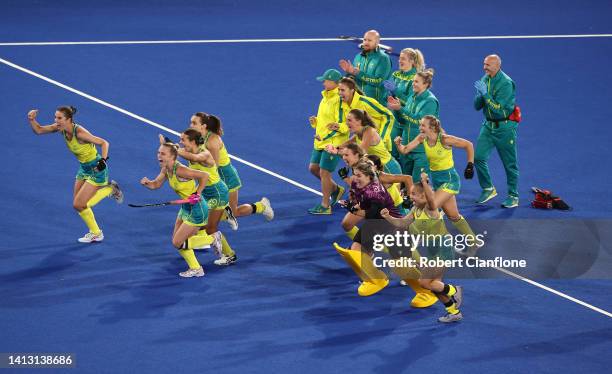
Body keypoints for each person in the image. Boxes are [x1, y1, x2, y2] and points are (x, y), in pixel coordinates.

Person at [332, 160, 437, 307]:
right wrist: (353, 204)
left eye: (359, 175)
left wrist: (353, 209)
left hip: (391, 226)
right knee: (356, 250)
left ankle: (427, 292)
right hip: (374, 224)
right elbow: (362, 202)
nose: (355, 178)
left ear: (369, 176)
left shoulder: (376, 191)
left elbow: (372, 212)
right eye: (354, 174)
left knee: (401, 266)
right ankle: (376, 279)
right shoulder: (359, 184)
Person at [27, 107, 123, 243]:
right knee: (79, 204)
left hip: (97, 169)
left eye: (59, 118)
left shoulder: (80, 133)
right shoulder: (61, 129)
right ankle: (110, 189)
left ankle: (97, 231)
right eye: (55, 117)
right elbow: (39, 130)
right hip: (84, 169)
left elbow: (104, 142)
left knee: (79, 205)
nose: (56, 121)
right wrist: (32, 119)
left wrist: (103, 160)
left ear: (68, 120)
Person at [381, 182, 464, 323]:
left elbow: (431, 199)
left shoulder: (430, 209)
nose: (410, 196)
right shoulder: (415, 209)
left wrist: (425, 183)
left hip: (443, 248)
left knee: (424, 283)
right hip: (433, 251)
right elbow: (402, 223)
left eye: (414, 194)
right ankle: (453, 312)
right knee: (434, 285)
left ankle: (454, 290)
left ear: (424, 196)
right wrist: (388, 217)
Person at [395, 115, 477, 252]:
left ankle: (418, 239)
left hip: (450, 180)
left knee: (430, 206)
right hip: (438, 181)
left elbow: (469, 145)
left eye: (422, 125)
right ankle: (473, 241)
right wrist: (398, 144)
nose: (420, 128)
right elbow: (405, 150)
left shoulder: (445, 139)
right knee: (453, 216)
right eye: (420, 125)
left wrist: (470, 165)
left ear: (432, 128)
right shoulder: (422, 138)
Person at [189, 112, 274, 226]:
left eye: (194, 123)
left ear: (203, 126)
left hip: (225, 176)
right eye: (191, 122)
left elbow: (214, 166)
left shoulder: (212, 140)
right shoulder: (198, 137)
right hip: (212, 177)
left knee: (234, 212)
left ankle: (262, 206)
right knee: (203, 209)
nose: (190, 125)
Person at [140, 142, 210, 278]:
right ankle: (196, 268)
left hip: (197, 209)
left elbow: (204, 175)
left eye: (163, 153)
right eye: (158, 153)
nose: (158, 156)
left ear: (173, 156)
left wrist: (198, 193)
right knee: (178, 241)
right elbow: (156, 184)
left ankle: (213, 239)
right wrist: (148, 183)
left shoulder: (180, 170)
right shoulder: (166, 169)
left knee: (177, 242)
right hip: (185, 208)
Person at [176, 129, 237, 266]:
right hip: (205, 192)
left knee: (210, 228)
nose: (180, 142)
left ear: (192, 141)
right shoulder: (190, 151)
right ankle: (224, 215)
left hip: (217, 193)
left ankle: (230, 255)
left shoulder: (203, 153)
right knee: (196, 220)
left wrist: (174, 150)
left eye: (183, 140)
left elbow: (195, 159)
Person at [473, 54, 520, 208]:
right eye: (484, 64)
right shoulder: (485, 79)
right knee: (478, 157)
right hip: (488, 126)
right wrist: (480, 95)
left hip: (504, 128)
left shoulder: (506, 83)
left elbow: (500, 110)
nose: (484, 67)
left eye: (487, 65)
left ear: (497, 66)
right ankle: (488, 188)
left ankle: (513, 196)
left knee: (509, 164)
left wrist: (485, 94)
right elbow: (477, 106)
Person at [387, 69, 438, 183]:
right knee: (405, 182)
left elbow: (420, 122)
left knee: (417, 183)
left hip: (421, 150)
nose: (413, 84)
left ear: (425, 84)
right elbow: (404, 121)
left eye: (416, 82)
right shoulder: (411, 97)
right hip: (407, 146)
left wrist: (401, 108)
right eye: (413, 81)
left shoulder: (430, 102)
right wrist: (396, 110)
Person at [308, 68, 347, 215]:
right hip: (320, 141)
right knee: (313, 168)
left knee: (324, 172)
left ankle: (325, 206)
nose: (323, 82)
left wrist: (327, 136)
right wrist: (316, 122)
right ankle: (336, 190)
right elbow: (326, 119)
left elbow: (344, 125)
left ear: (334, 83)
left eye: (325, 80)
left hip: (332, 143)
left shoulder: (339, 99)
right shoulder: (325, 96)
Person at [382, 48, 426, 160]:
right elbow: (386, 96)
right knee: (391, 152)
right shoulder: (395, 75)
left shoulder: (416, 79)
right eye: (399, 58)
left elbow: (410, 102)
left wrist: (395, 90)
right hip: (395, 121)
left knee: (405, 156)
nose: (400, 61)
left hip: (409, 123)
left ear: (412, 61)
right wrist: (387, 98)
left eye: (403, 59)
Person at [332, 78, 395, 151]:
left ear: (352, 90)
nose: (339, 93)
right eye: (338, 90)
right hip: (366, 149)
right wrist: (339, 147)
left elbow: (388, 116)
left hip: (381, 150)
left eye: (342, 90)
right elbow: (360, 132)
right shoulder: (346, 107)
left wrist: (382, 140)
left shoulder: (365, 103)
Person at [339, 30, 392, 105]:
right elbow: (354, 80)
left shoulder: (383, 59)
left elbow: (378, 81)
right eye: (365, 40)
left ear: (377, 42)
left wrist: (357, 73)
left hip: (376, 105)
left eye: (369, 40)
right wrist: (349, 73)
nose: (366, 42)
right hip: (359, 103)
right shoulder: (358, 57)